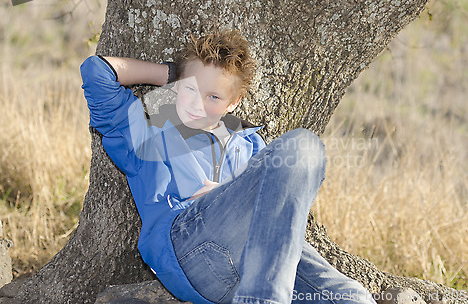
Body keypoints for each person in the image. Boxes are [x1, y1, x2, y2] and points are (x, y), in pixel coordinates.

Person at [80, 30, 376, 304]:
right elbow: (97, 72)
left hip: (256, 264)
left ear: (233, 103)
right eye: (191, 90)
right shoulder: (149, 132)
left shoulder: (251, 145)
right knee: (299, 144)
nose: (198, 104)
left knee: (354, 298)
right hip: (191, 249)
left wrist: (225, 191)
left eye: (214, 96)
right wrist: (171, 73)